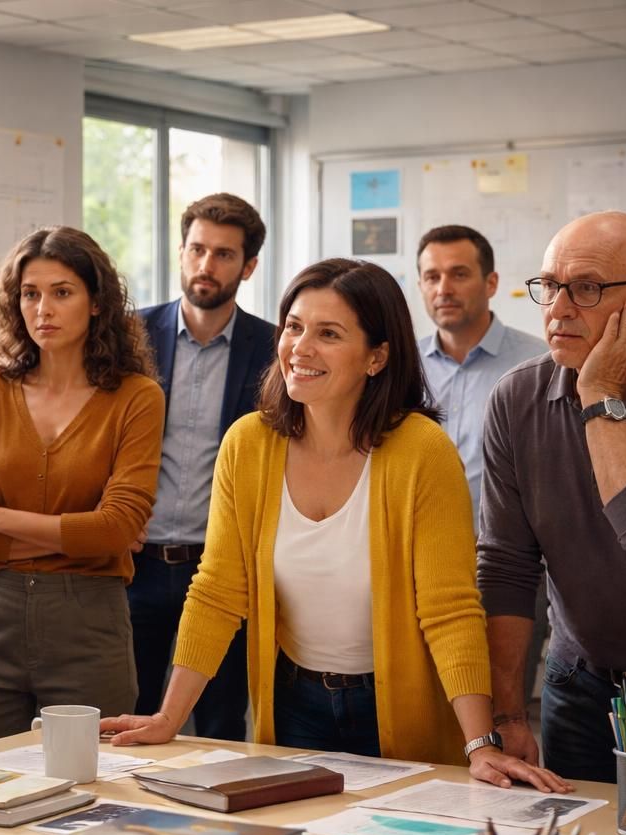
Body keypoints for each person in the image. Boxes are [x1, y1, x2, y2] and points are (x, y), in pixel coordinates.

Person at [101, 258, 569, 792]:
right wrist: (169, 718)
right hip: (293, 703)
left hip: (399, 707)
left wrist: (481, 745)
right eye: (294, 327)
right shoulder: (248, 444)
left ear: (376, 357)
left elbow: (450, 610)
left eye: (328, 334)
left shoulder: (422, 451)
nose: (301, 348)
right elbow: (218, 591)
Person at [479, 211, 626, 794]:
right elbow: (506, 568)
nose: (557, 309)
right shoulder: (517, 397)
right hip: (577, 687)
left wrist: (601, 395)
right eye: (548, 285)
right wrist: (508, 715)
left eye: (585, 288)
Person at [0, 227, 164, 750]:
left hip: (89, 624)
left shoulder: (137, 398)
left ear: (96, 302)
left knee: (91, 784)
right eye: (30, 294)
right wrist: (78, 537)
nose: (43, 308)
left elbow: (116, 530)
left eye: (62, 292)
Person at [130, 193, 275, 738]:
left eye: (223, 254)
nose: (206, 265)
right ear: (181, 252)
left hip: (221, 568)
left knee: (220, 725)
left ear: (248, 266)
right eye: (197, 249)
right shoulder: (130, 336)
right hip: (136, 563)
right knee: (127, 713)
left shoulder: (274, 348)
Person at [415, 224, 545, 514]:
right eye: (432, 277)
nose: (444, 289)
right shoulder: (405, 367)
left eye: (459, 274)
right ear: (420, 286)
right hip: (422, 534)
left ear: (491, 283)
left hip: (506, 540)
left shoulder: (539, 365)